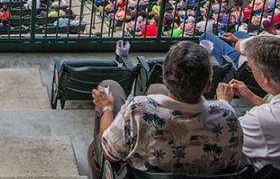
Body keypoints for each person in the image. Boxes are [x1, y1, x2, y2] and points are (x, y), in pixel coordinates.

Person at [90, 41, 243, 176]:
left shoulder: (138, 110)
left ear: (165, 77)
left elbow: (109, 154)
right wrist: (223, 103)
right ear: (208, 86)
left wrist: (107, 108)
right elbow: (233, 165)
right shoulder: (229, 117)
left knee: (112, 88)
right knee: (155, 89)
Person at [216, 35, 280, 172]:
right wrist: (251, 97)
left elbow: (224, 136)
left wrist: (223, 103)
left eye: (251, 68)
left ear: (264, 77)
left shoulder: (259, 119)